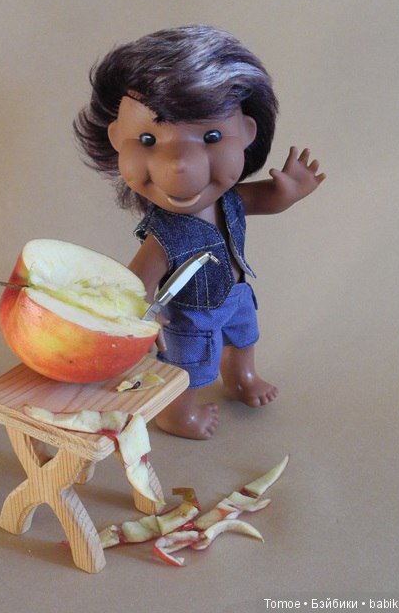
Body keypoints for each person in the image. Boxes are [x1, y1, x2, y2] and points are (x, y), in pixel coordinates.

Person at [74, 25, 325, 439]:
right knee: (189, 366)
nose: (179, 164)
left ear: (247, 133)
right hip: (190, 313)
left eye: (211, 137)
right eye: (149, 139)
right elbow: (136, 285)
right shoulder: (165, 235)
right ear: (116, 138)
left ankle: (241, 378)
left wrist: (289, 192)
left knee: (243, 337)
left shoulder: (230, 199)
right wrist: (141, 321)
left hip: (237, 292)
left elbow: (266, 200)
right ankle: (176, 413)